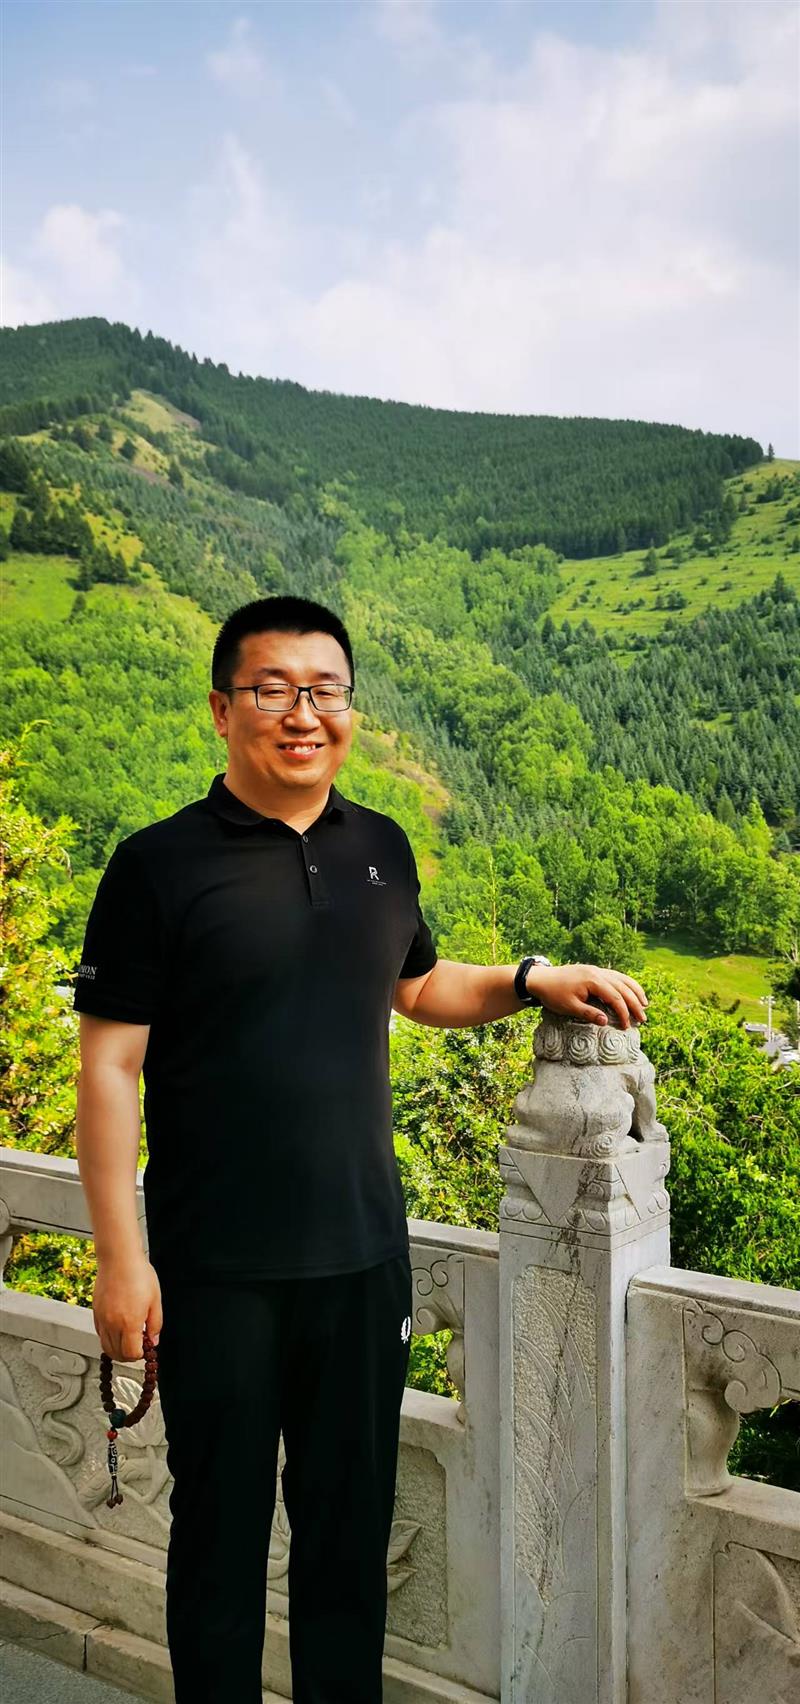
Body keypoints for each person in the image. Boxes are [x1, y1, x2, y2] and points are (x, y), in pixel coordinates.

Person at [74, 594, 648, 1703]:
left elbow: (417, 986)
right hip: (216, 1268)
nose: (302, 713)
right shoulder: (157, 865)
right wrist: (120, 1258)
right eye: (272, 689)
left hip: (362, 1260)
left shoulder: (378, 845)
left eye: (324, 690)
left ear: (349, 707)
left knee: (348, 1544)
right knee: (219, 1542)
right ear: (221, 709)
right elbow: (109, 1067)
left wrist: (532, 978)